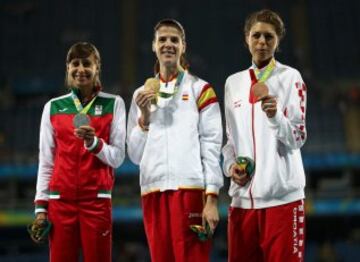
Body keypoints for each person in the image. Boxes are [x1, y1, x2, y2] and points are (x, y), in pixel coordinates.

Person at [127, 19, 223, 262]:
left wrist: (211, 198)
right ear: (153, 46)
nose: (168, 44)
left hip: (189, 190)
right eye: (162, 40)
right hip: (153, 191)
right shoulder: (140, 95)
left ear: (183, 46)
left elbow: (212, 146)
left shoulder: (202, 90)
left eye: (174, 40)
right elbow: (135, 155)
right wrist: (145, 117)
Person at [222, 9, 307, 261]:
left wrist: (275, 116)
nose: (262, 42)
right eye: (256, 35)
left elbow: (298, 137)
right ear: (246, 38)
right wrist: (230, 167)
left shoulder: (291, 78)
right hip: (242, 202)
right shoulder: (233, 83)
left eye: (269, 37)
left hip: (282, 200)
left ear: (278, 41)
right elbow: (230, 141)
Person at [32, 42, 126, 262]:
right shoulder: (53, 107)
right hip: (60, 202)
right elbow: (46, 161)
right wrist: (40, 208)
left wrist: (95, 144)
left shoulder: (115, 104)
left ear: (97, 67)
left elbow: (118, 157)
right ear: (67, 68)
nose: (80, 69)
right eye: (75, 63)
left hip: (97, 200)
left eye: (87, 63)